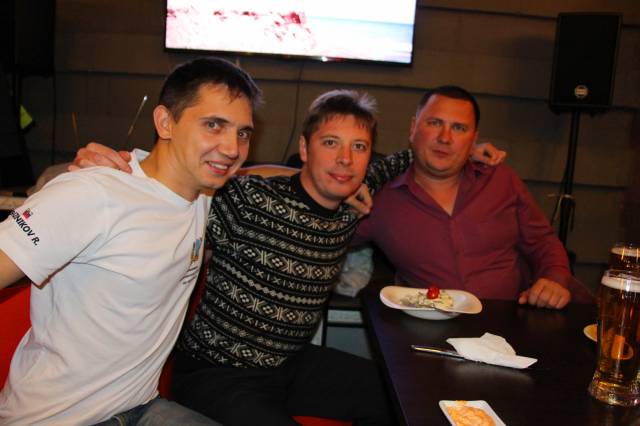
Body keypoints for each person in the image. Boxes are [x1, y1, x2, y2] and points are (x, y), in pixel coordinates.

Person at [72, 90, 505, 425]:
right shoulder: (245, 200)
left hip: (292, 363)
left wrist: (470, 148)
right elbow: (174, 182)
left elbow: (410, 155)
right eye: (331, 143)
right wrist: (120, 167)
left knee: (404, 395)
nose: (345, 159)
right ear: (304, 147)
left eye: (359, 147)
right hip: (217, 373)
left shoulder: (352, 199)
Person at [0, 56, 262, 425]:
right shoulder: (94, 192)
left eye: (243, 133)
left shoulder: (203, 193)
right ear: (165, 122)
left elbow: (275, 176)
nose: (232, 148)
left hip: (140, 407)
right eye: (213, 125)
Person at [352, 85, 573, 308]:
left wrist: (554, 278)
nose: (445, 138)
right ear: (413, 128)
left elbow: (542, 241)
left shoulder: (501, 180)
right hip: (428, 323)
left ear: (473, 139)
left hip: (509, 320)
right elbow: (334, 236)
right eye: (434, 123)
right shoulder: (380, 200)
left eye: (458, 128)